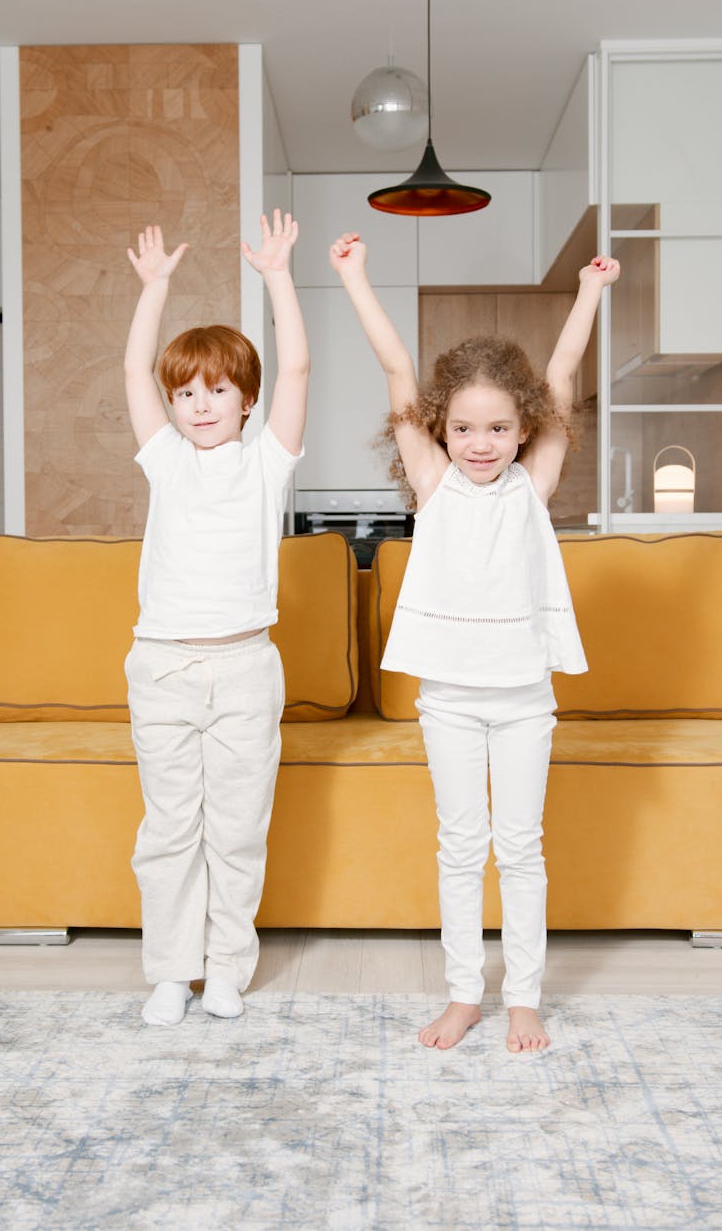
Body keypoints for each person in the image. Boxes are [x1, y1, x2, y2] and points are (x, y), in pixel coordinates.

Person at [330, 231, 619, 1053]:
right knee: (461, 847)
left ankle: (522, 996)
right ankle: (465, 993)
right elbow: (395, 370)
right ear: (440, 429)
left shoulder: (536, 482)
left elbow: (562, 378)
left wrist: (590, 294)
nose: (481, 443)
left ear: (524, 429)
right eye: (464, 428)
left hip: (525, 697)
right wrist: (355, 275)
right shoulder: (433, 482)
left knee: (520, 847)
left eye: (498, 428)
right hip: (450, 700)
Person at [124, 212, 308, 1026]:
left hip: (243, 666)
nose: (200, 405)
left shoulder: (266, 464)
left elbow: (298, 365)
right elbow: (133, 369)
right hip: (163, 665)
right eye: (186, 393)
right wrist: (155, 289)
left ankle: (227, 967)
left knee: (236, 829)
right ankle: (171, 969)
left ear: (245, 400)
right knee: (169, 828)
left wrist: (277, 277)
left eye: (218, 390)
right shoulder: (165, 461)